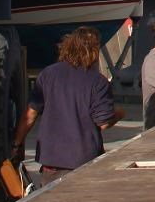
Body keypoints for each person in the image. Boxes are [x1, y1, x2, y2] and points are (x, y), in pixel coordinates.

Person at [12, 26, 125, 180]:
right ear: (94, 51)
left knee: (50, 196)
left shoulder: (48, 74)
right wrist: (119, 114)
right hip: (83, 162)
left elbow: (30, 114)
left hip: (50, 161)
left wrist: (16, 144)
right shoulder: (98, 81)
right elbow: (103, 123)